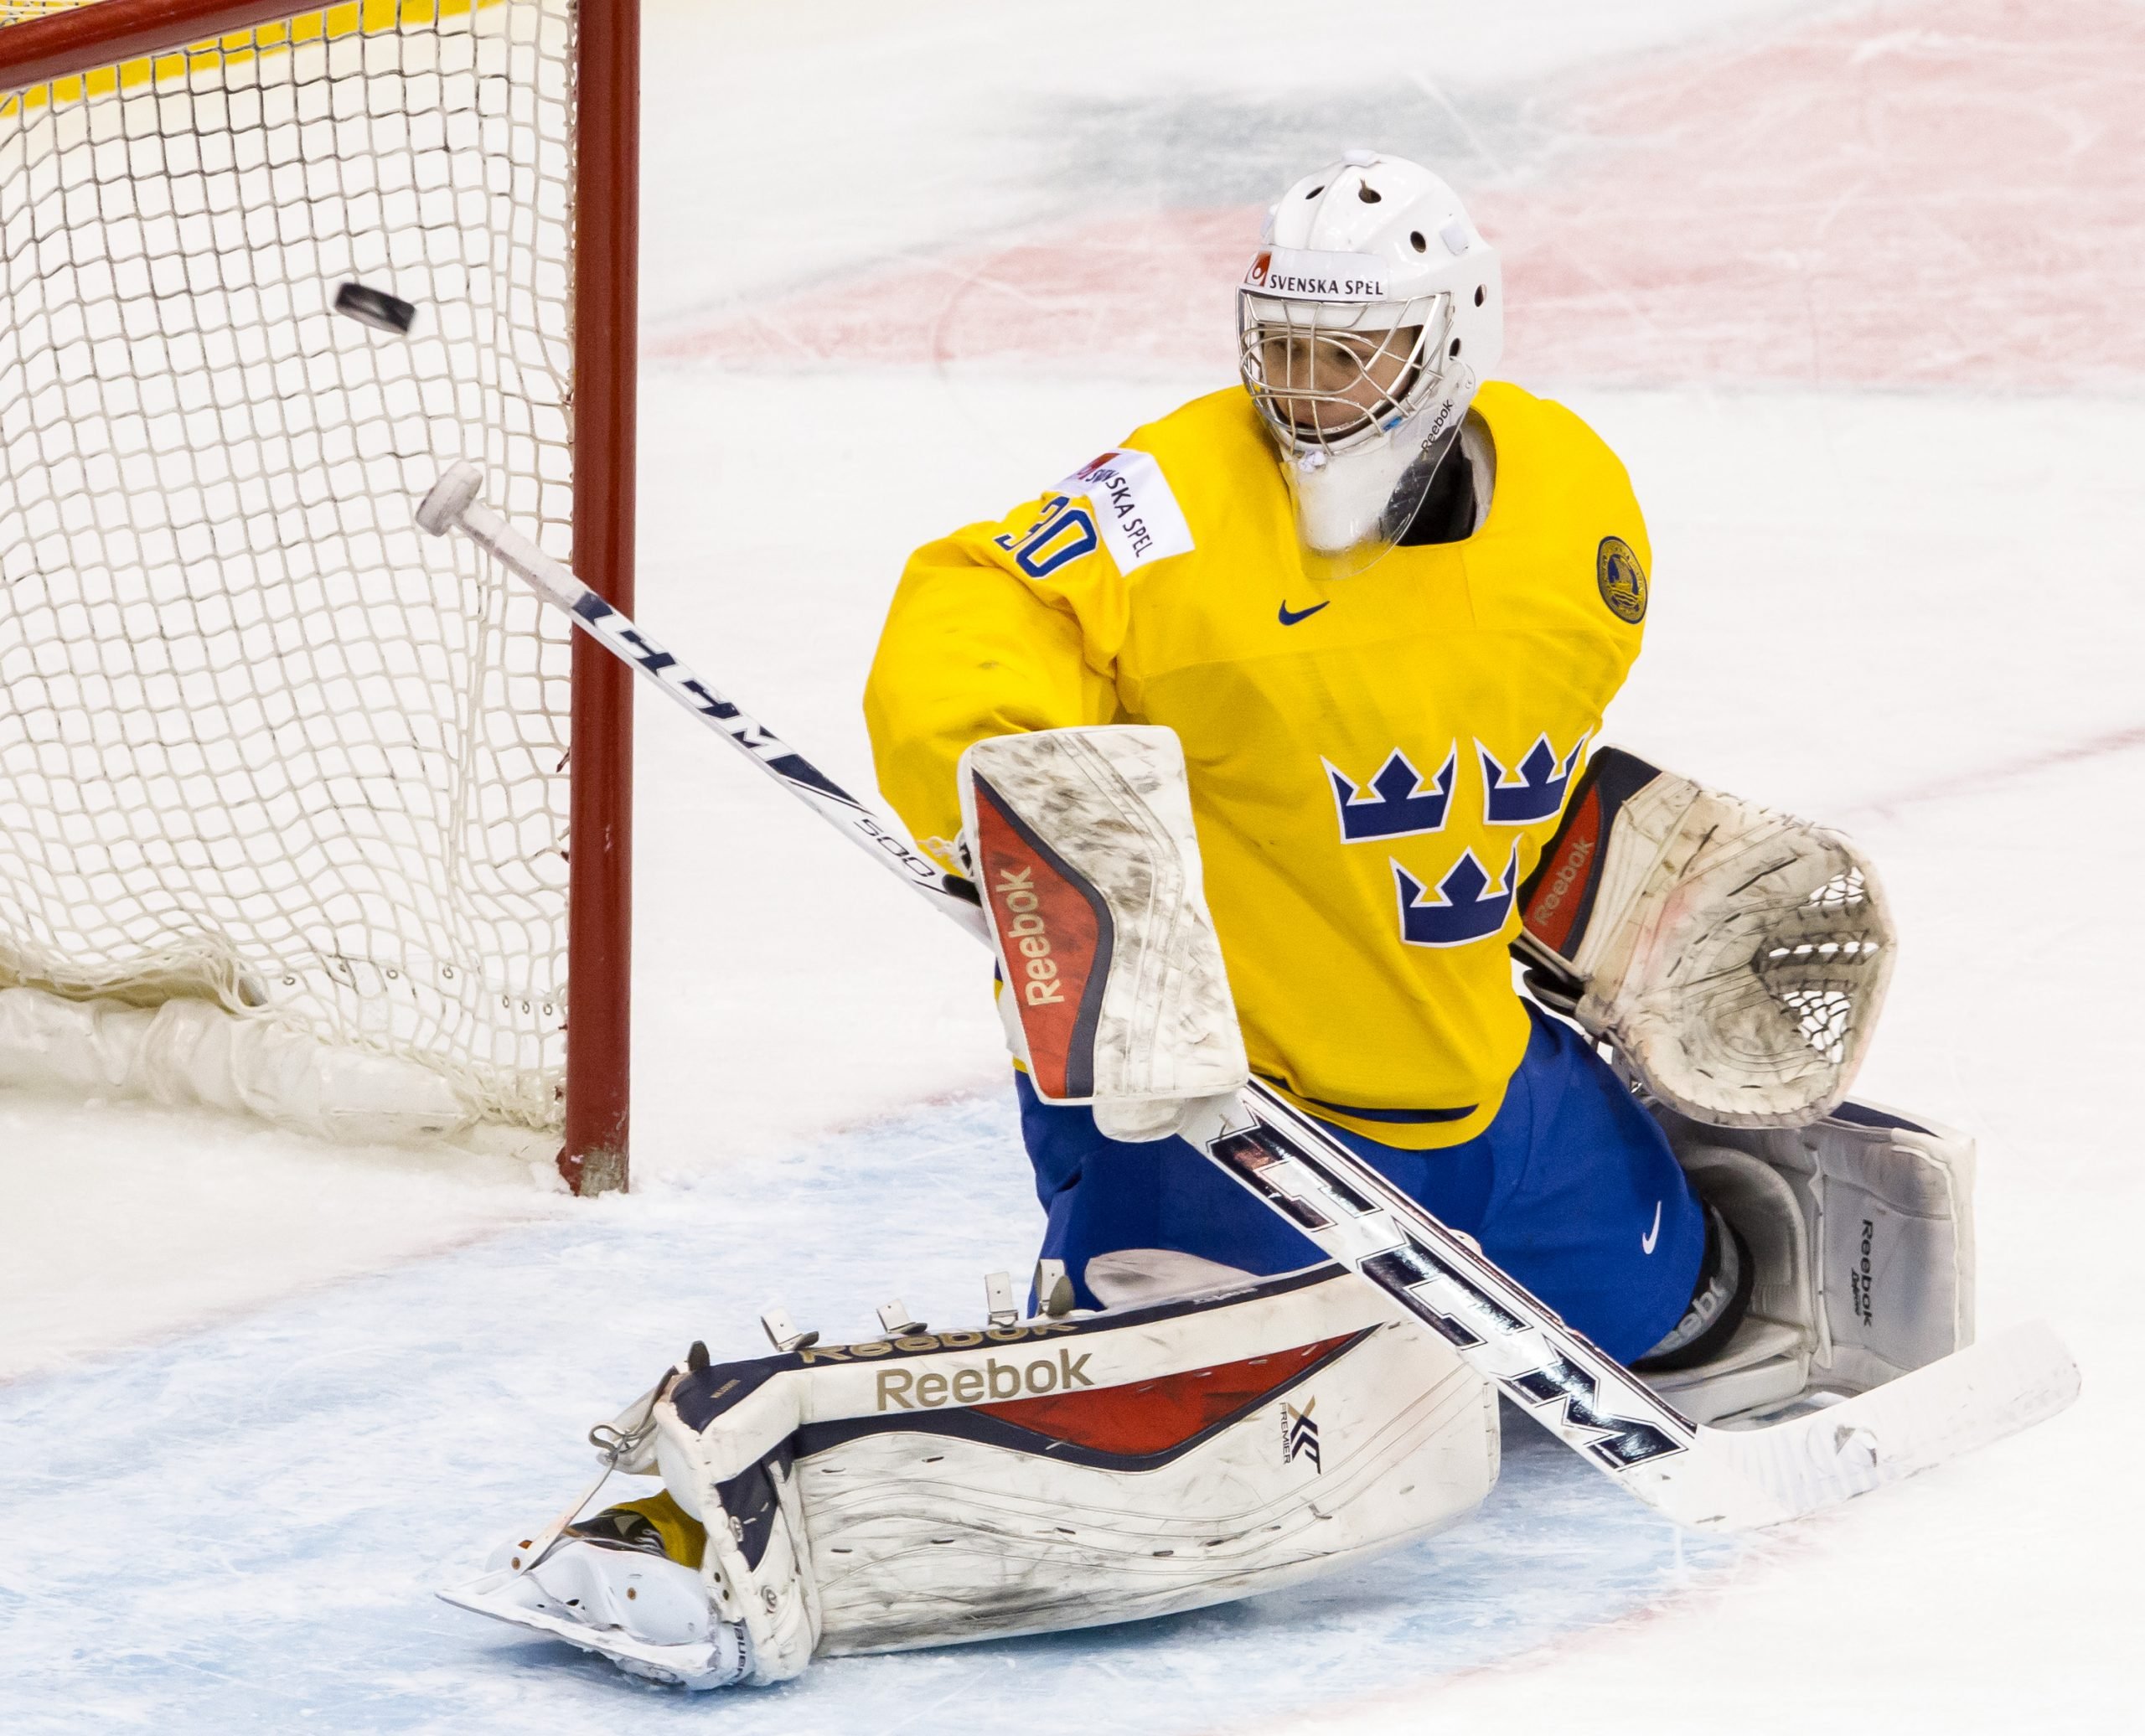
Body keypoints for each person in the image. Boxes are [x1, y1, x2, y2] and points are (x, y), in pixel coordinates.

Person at [864, 147, 1746, 1370]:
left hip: (1481, 1083)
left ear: (1451, 337)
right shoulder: (1176, 494)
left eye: (1348, 353)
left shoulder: (1578, 501)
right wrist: (1014, 794)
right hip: (1225, 1117)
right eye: (1280, 348)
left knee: (1689, 1316)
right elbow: (982, 599)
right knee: (1203, 1377)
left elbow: (1508, 751)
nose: (1305, 392)